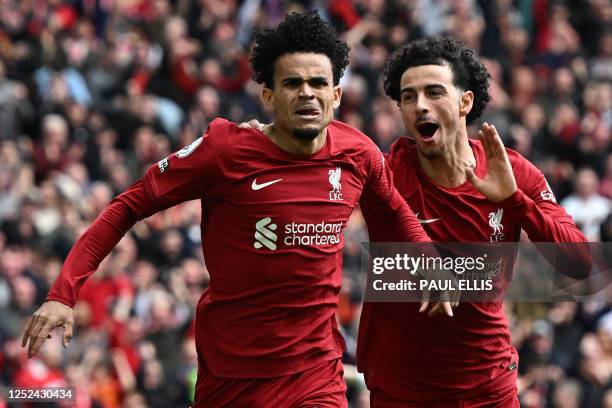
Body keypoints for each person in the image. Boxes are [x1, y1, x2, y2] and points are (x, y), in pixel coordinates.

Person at [21, 11, 432, 406]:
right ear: (269, 95)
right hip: (233, 378)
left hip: (316, 374)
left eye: (318, 83)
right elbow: (129, 205)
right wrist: (63, 293)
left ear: (336, 94)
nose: (307, 92)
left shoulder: (357, 154)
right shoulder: (225, 151)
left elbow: (395, 211)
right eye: (292, 83)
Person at [357, 36, 589, 407]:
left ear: (465, 101)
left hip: (487, 389)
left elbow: (579, 265)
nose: (419, 106)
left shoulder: (512, 173)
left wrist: (515, 202)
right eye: (408, 97)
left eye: (434, 92)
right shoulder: (384, 173)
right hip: (402, 392)